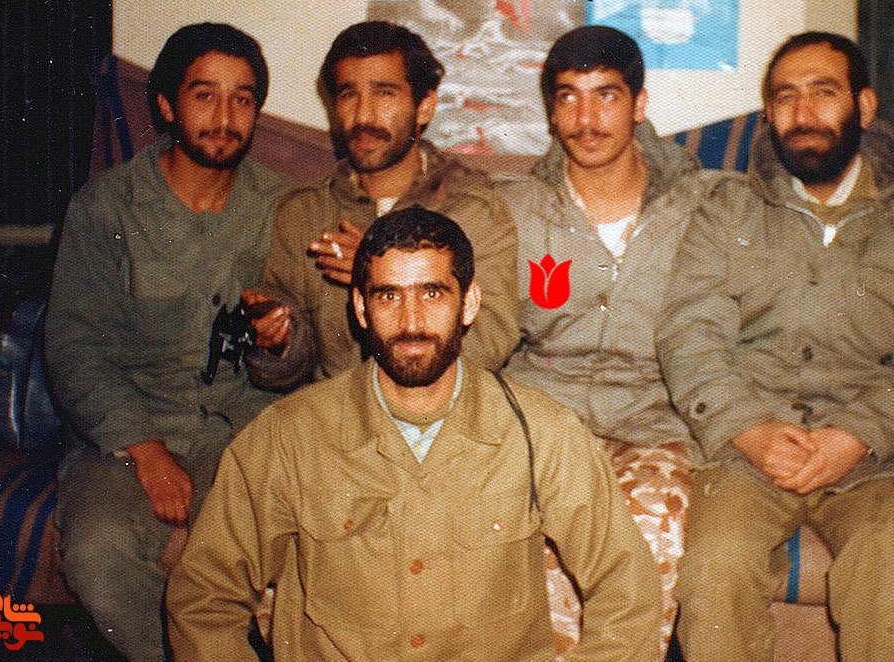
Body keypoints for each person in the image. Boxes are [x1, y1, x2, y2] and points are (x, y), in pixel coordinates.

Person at [166, 207, 662, 661]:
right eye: (389, 296)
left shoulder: (542, 434)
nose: (411, 322)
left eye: (432, 293)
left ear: (469, 303)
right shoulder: (288, 438)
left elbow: (628, 590)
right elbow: (203, 599)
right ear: (361, 308)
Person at [657, 31, 894, 662]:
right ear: (768, 114)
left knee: (890, 564)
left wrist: (856, 435)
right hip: (749, 448)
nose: (802, 113)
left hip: (881, 453)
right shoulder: (727, 211)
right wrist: (748, 429)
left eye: (823, 92)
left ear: (864, 107)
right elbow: (689, 333)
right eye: (785, 97)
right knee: (714, 568)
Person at [45, 22, 290, 661]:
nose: (224, 117)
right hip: (128, 432)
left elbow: (311, 347)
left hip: (242, 429)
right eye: (204, 95)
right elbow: (74, 344)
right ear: (166, 105)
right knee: (97, 552)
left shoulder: (283, 207)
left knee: (243, 549)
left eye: (242, 99)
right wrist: (146, 450)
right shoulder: (107, 207)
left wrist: (281, 336)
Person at [499, 25, 717, 655]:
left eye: (606, 96)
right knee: (539, 555)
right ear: (551, 112)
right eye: (568, 97)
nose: (586, 119)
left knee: (650, 538)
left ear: (640, 103)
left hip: (656, 424)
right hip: (541, 423)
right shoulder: (512, 209)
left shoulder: (704, 205)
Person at [244, 20, 517, 389]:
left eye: (384, 94)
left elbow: (489, 344)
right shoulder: (304, 213)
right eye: (348, 95)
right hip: (335, 414)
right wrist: (278, 341)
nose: (363, 116)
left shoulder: (474, 209)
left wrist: (380, 270)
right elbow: (286, 372)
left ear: (424, 107)